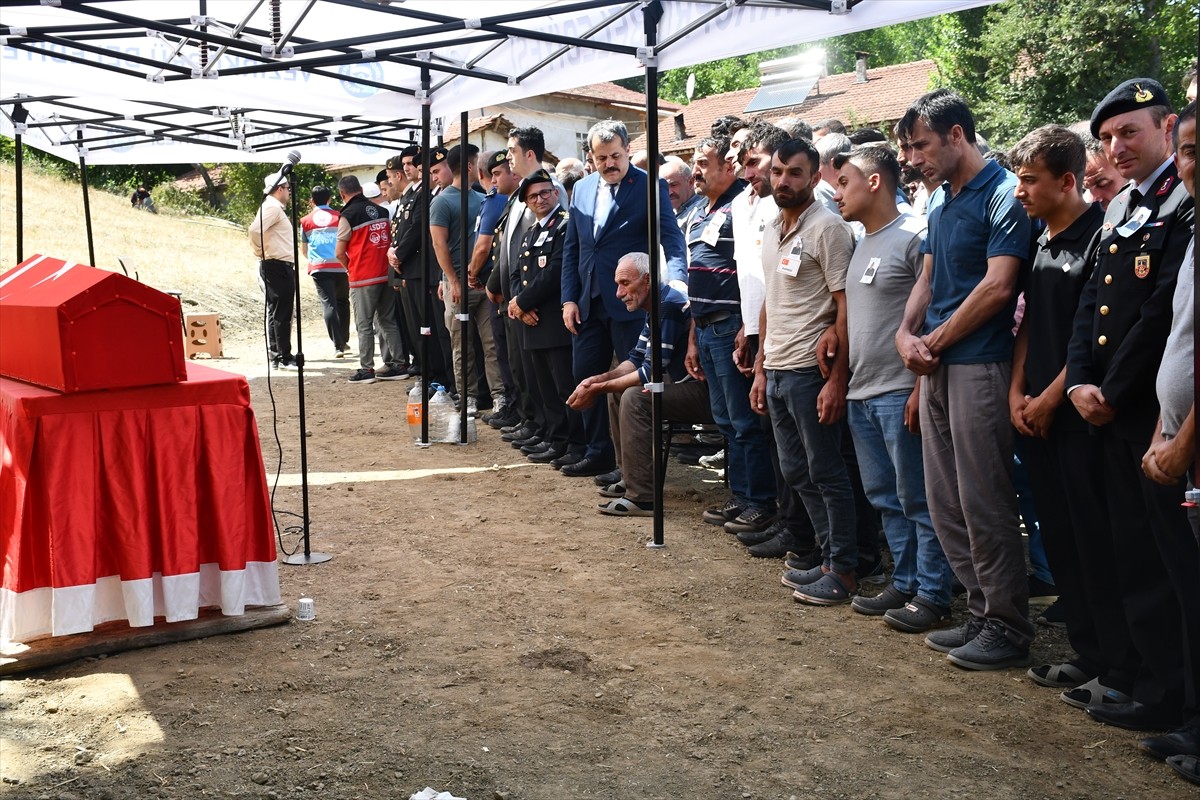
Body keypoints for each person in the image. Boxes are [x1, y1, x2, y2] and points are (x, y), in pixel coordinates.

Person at [1065, 78, 1196, 732]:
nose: (1115, 148)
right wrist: (1077, 381)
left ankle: (1175, 696)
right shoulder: (1123, 209)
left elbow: (1157, 315)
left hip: (1148, 414)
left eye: (1129, 133)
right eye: (1107, 137)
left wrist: (1110, 394)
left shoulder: (1182, 205)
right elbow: (1093, 304)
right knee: (1131, 554)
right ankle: (1152, 685)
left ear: (1169, 127)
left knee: (1169, 563)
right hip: (1106, 411)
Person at [894, 89, 1034, 670]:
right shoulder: (939, 202)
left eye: (921, 145)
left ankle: (1006, 623)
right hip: (937, 365)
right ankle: (980, 611)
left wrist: (935, 341)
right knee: (945, 498)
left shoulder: (1004, 195)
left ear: (957, 135)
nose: (912, 159)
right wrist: (906, 335)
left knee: (984, 498)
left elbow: (1000, 287)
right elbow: (927, 279)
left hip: (978, 363)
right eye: (907, 149)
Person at [1005, 125, 1118, 699]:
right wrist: (1017, 391)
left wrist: (1050, 397)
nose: (1019, 191)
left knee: (1093, 539)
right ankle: (1086, 650)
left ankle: (1116, 662)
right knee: (1060, 536)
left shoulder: (1102, 236)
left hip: (1077, 416)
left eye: (1030, 180)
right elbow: (1028, 326)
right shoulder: (1038, 238)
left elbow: (1092, 332)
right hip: (1035, 412)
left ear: (1068, 180)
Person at [831, 144, 954, 630]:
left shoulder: (914, 235)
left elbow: (930, 317)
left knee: (919, 499)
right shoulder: (864, 239)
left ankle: (932, 592)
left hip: (899, 393)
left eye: (845, 182)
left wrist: (919, 388)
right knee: (885, 496)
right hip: (863, 392)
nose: (837, 192)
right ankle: (904, 582)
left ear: (875, 182)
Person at [749, 136, 857, 606]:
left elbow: (846, 306)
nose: (783, 180)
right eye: (777, 171)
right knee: (795, 469)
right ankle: (828, 554)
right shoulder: (773, 227)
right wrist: (759, 367)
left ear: (815, 177)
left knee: (827, 470)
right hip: (776, 368)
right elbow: (773, 298)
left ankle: (846, 567)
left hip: (810, 372)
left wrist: (837, 379)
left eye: (795, 172)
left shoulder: (828, 228)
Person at [561, 119, 688, 478]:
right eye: (601, 158)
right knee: (585, 374)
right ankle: (598, 452)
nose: (609, 164)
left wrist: (677, 282)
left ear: (628, 150)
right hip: (588, 302)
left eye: (615, 155)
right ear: (591, 157)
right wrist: (569, 299)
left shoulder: (649, 186)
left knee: (631, 384)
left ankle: (631, 464)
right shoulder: (582, 190)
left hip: (632, 300)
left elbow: (671, 237)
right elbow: (575, 248)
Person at [1139, 99, 1199, 785]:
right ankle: (1192, 718)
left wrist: (1183, 444)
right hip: (1176, 434)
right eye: (1187, 149)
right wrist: (1166, 425)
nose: (1190, 164)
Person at [682, 135, 776, 536]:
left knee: (743, 419)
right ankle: (740, 494)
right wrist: (691, 338)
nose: (695, 171)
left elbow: (753, 272)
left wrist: (745, 324)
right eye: (694, 162)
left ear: (728, 167)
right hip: (703, 326)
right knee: (724, 418)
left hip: (729, 324)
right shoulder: (701, 211)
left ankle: (759, 501)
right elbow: (693, 275)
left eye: (704, 163)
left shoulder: (745, 205)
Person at [569, 252, 707, 515]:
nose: (619, 293)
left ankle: (643, 496)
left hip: (703, 392)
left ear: (647, 281)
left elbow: (651, 372)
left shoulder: (667, 306)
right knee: (618, 392)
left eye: (625, 283)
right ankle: (629, 476)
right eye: (617, 284)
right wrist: (599, 380)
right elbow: (634, 360)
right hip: (682, 385)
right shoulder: (656, 304)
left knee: (634, 397)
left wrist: (598, 388)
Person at [507, 169, 584, 464]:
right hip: (531, 319)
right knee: (545, 388)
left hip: (553, 319)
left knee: (565, 385)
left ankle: (576, 445)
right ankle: (557, 439)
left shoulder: (565, 226)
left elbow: (555, 271)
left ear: (555, 193)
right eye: (532, 196)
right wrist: (518, 305)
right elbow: (517, 273)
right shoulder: (531, 232)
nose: (540, 199)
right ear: (526, 202)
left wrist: (522, 302)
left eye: (545, 192)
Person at [430, 144, 502, 414]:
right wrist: (451, 280)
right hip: (458, 284)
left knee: (491, 343)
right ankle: (467, 396)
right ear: (470, 166)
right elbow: (439, 245)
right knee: (462, 345)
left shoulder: (483, 197)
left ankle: (498, 397)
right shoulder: (442, 201)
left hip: (483, 284)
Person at [392, 146, 456, 392]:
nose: (410, 169)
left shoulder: (432, 196)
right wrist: (396, 254)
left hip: (433, 272)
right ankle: (434, 376)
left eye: (431, 170)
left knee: (440, 331)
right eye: (409, 165)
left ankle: (445, 380)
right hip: (421, 270)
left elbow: (419, 230)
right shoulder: (419, 195)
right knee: (426, 329)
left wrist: (399, 254)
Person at [335, 174, 406, 384]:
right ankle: (399, 363)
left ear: (342, 194)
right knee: (388, 320)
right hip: (385, 273)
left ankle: (367, 369)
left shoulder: (347, 215)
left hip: (363, 277)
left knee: (364, 324)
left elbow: (339, 252)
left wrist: (351, 269)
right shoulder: (382, 211)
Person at [248, 171, 296, 369]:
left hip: (276, 264)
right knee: (282, 312)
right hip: (276, 265)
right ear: (279, 189)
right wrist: (261, 252)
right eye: (287, 189)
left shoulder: (273, 208)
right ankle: (283, 356)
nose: (289, 192)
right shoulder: (272, 208)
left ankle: (277, 354)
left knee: (276, 311)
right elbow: (254, 230)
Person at [299, 185, 351, 358]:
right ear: (330, 199)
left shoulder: (305, 221)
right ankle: (344, 339)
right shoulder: (340, 216)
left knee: (329, 304)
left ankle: (338, 346)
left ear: (312, 201)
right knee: (343, 301)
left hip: (319, 268)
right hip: (341, 265)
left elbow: (304, 249)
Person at [659, 157, 704, 231]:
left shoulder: (701, 211)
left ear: (691, 182)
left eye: (673, 185)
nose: (669, 192)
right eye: (665, 187)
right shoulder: (667, 212)